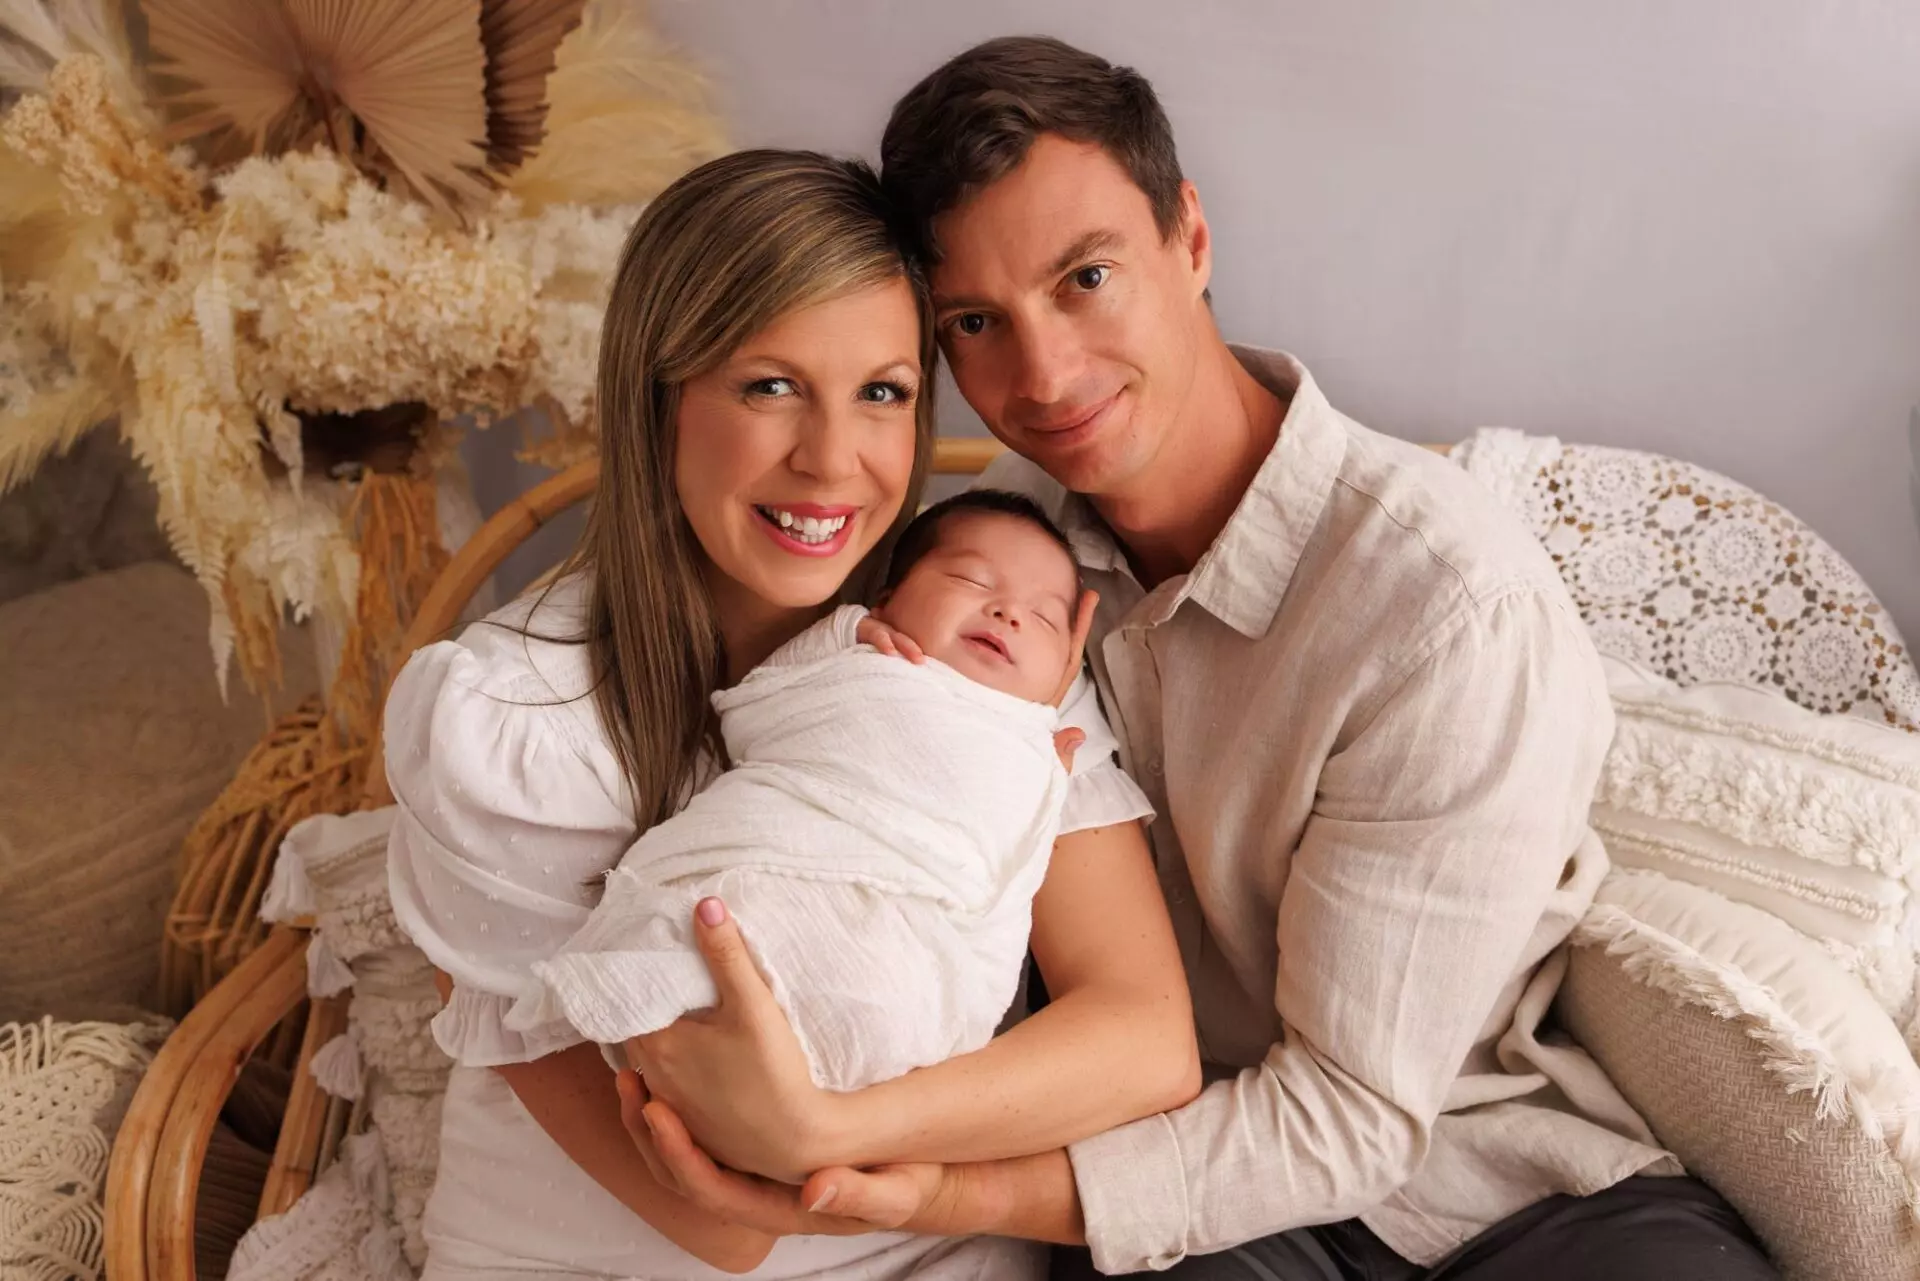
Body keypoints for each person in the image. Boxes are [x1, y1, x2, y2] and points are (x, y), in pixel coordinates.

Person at [617, 38, 1782, 1281]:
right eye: (976, 323)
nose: (1045, 375)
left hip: (1497, 1187)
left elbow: (1350, 1117)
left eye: (1087, 278)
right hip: (1175, 1181)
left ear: (1192, 239)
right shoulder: (998, 558)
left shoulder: (1445, 610)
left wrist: (928, 1183)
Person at [383, 149, 1198, 1280]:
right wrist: (865, 1134)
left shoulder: (979, 629)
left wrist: (829, 1126)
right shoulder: (512, 723)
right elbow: (730, 1224)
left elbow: (1147, 1043)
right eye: (769, 386)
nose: (832, 462)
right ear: (659, 399)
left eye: (883, 393)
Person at [525, 493, 1147, 1104]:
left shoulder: (1038, 742)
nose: (1009, 613)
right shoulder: (860, 662)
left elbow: (1007, 888)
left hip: (913, 944)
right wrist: (845, 632)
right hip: (782, 860)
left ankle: (813, 1083)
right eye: (971, 581)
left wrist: (1041, 771)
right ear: (887, 599)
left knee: (896, 996)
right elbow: (755, 706)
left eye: (1044, 618)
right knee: (717, 924)